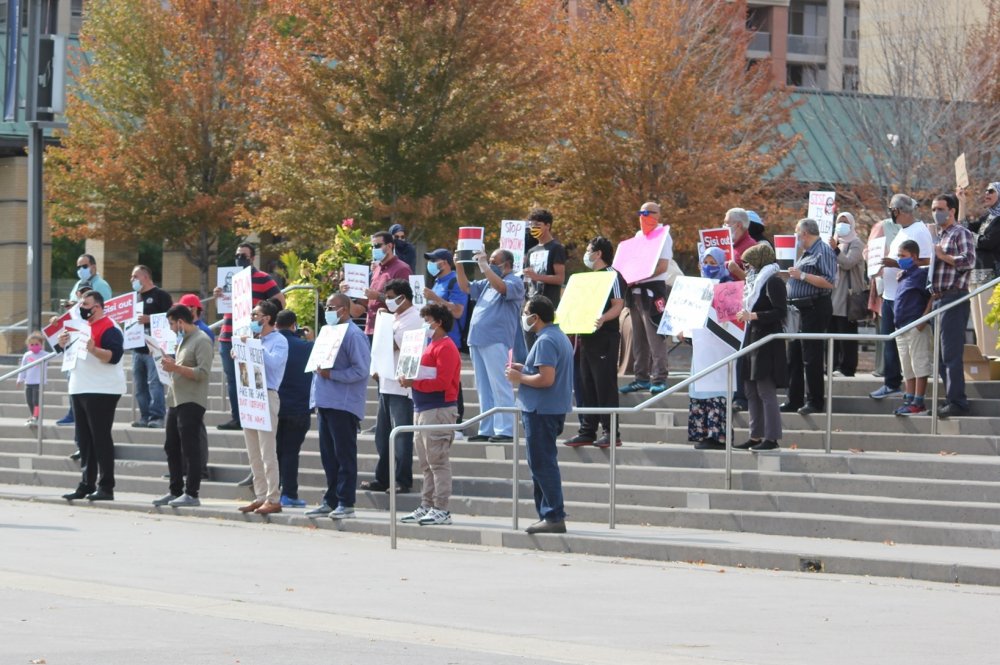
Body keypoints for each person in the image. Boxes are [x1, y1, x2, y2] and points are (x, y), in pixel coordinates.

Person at [506, 296, 574, 534]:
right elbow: (543, 371)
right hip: (546, 409)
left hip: (541, 410)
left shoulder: (546, 340)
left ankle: (553, 515)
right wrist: (524, 369)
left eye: (526, 312)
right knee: (542, 463)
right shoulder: (556, 336)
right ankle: (549, 513)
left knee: (542, 464)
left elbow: (546, 379)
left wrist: (520, 378)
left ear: (536, 316)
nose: (524, 316)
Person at [307, 294, 371, 520]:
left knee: (344, 455)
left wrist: (331, 374)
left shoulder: (354, 335)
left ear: (344, 310)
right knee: (328, 455)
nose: (327, 311)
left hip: (343, 404)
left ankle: (346, 502)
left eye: (331, 307)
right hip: (325, 401)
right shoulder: (328, 332)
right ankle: (330, 499)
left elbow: (362, 370)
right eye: (326, 306)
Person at [397, 303, 462, 526]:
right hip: (422, 408)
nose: (425, 325)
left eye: (427, 320)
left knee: (438, 461)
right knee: (426, 463)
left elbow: (442, 382)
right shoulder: (430, 345)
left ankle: (441, 508)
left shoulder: (446, 347)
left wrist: (414, 382)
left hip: (439, 409)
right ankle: (427, 504)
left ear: (438, 322)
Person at [60, 291, 127, 501]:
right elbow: (73, 355)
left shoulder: (110, 327)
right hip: (80, 387)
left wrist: (94, 350)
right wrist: (63, 344)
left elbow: (114, 356)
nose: (82, 307)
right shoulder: (81, 327)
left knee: (100, 438)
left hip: (102, 389)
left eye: (85, 304)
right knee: (84, 440)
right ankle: (86, 484)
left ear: (97, 307)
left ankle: (106, 486)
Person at [213, 242, 285, 433]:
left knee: (250, 377)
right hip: (228, 334)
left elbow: (280, 301)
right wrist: (219, 295)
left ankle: (252, 416)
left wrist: (261, 318)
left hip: (250, 336)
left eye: (244, 256)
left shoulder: (263, 278)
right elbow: (225, 306)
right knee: (232, 379)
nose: (240, 259)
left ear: (252, 258)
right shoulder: (230, 279)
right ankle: (238, 417)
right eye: (237, 255)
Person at [455, 248, 524, 443]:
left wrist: (485, 266)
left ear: (507, 264)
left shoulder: (514, 281)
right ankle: (487, 428)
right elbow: (466, 287)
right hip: (478, 339)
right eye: (489, 260)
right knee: (484, 388)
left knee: (500, 385)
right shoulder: (487, 282)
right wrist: (459, 265)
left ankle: (506, 430)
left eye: (494, 260)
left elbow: (502, 288)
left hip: (496, 340)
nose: (489, 262)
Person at [870, 194, 933, 400]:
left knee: (907, 349)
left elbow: (925, 261)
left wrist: (895, 263)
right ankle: (893, 382)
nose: (891, 214)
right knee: (892, 343)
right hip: (891, 294)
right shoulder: (903, 230)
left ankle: (903, 389)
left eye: (892, 210)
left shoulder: (920, 231)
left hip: (905, 296)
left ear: (899, 211)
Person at [565, 236, 626, 448]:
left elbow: (618, 305)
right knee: (586, 383)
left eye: (589, 250)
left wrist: (603, 319)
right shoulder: (587, 278)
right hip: (585, 336)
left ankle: (611, 431)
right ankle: (587, 430)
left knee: (604, 384)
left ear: (598, 253)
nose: (586, 254)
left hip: (605, 338)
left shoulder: (613, 276)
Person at [363, 279, 422, 493]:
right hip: (386, 382)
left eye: (390, 298)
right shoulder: (393, 318)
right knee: (383, 435)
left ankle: (402, 479)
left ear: (402, 298)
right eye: (385, 297)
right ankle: (383, 477)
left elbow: (392, 345)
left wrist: (380, 336)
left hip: (401, 386)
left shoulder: (414, 318)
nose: (387, 302)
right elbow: (380, 349)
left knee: (401, 436)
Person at [152, 304, 214, 507]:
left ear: (180, 321)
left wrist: (176, 366)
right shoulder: (182, 341)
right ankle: (175, 490)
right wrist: (170, 364)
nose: (171, 328)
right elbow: (181, 369)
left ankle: (192, 492)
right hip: (176, 399)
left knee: (190, 447)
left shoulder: (202, 340)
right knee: (171, 445)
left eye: (172, 323)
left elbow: (203, 373)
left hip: (192, 400)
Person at [237, 299, 288, 515]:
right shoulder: (255, 339)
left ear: (267, 319)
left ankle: (273, 497)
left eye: (255, 316)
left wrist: (252, 346)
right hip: (250, 394)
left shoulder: (279, 340)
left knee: (268, 451)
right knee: (253, 451)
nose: (252, 320)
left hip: (267, 395)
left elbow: (275, 363)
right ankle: (260, 495)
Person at [733, 244, 786, 452]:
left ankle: (772, 437)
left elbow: (780, 311)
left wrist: (754, 316)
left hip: (767, 341)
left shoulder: (773, 281)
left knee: (765, 390)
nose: (746, 268)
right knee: (750, 390)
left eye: (748, 264)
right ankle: (755, 435)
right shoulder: (754, 283)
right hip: (751, 337)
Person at [782, 218, 837, 416]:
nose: (796, 237)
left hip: (814, 306)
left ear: (805, 233)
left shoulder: (823, 251)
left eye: (797, 233)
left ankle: (814, 400)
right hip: (797, 309)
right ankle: (793, 398)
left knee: (811, 356)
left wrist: (803, 276)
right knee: (794, 355)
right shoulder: (804, 253)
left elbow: (830, 281)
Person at [619, 202, 674, 395]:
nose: (645, 215)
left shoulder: (662, 235)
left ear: (658, 215)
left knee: (655, 335)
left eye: (649, 212)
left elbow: (662, 266)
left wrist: (639, 276)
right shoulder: (638, 236)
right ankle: (640, 376)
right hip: (635, 290)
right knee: (638, 337)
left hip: (652, 290)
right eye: (641, 212)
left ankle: (659, 377)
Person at [930, 193, 976, 418]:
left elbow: (969, 261)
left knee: (950, 353)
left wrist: (943, 255)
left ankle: (958, 400)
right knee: (939, 355)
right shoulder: (939, 236)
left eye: (940, 208)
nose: (936, 213)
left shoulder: (961, 233)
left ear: (952, 211)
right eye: (933, 209)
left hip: (954, 298)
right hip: (937, 298)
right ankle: (949, 398)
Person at [686, 247, 735, 450]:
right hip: (701, 349)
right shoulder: (696, 288)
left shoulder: (730, 287)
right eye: (706, 262)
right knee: (700, 390)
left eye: (714, 263)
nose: (709, 267)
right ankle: (702, 433)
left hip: (720, 350)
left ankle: (718, 435)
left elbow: (732, 323)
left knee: (717, 392)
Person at [422, 248, 469, 432]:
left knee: (452, 379)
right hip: (434, 339)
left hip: (451, 339)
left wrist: (436, 298)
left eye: (435, 260)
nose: (431, 264)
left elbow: (457, 311)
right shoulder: (437, 282)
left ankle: (458, 421)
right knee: (441, 378)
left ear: (446, 262)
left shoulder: (454, 282)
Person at [274, 310, 314, 507]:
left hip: (275, 407)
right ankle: (289, 493)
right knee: (290, 452)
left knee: (275, 452)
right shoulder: (307, 346)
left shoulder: (270, 344)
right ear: (294, 325)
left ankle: (274, 491)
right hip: (299, 407)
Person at [891, 241, 932, 417]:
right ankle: (909, 399)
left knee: (919, 364)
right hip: (901, 327)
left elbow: (933, 296)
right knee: (907, 367)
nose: (900, 259)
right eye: (899, 256)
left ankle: (918, 401)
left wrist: (923, 319)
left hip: (916, 325)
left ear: (914, 257)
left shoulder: (921, 275)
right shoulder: (904, 275)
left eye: (903, 256)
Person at [129, 265, 173, 428]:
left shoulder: (161, 295)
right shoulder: (133, 298)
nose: (132, 280)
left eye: (135, 276)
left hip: (155, 347)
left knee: (155, 383)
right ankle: (144, 416)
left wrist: (151, 319)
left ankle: (157, 416)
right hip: (137, 348)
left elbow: (171, 318)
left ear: (146, 277)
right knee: (140, 386)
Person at [959, 183, 1000, 357]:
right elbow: (964, 228)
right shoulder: (987, 217)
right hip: (975, 276)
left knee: (990, 327)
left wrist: (971, 237)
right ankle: (985, 363)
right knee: (979, 325)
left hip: (991, 277)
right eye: (985, 190)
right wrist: (962, 202)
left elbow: (987, 242)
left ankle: (994, 364)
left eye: (991, 191)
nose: (986, 193)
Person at [522, 208, 567, 349]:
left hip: (548, 308)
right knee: (531, 348)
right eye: (532, 225)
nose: (534, 228)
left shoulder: (556, 248)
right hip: (530, 307)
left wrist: (537, 277)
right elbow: (527, 281)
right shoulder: (531, 251)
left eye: (537, 225)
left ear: (547, 225)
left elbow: (560, 278)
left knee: (545, 347)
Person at [828, 212, 866, 377]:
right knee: (832, 332)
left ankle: (847, 368)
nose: (841, 225)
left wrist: (835, 249)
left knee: (846, 333)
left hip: (847, 295)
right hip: (831, 293)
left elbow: (848, 263)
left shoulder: (856, 243)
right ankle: (832, 365)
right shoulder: (832, 242)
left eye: (845, 222)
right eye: (839, 221)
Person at [359, 231, 412, 337]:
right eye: (372, 246)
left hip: (389, 330)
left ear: (389, 246)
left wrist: (377, 296)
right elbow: (370, 302)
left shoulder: (402, 269)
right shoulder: (377, 268)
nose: (374, 249)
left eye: (377, 246)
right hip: (370, 328)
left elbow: (405, 302)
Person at [17, 332, 47, 427]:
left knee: (36, 401)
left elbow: (57, 354)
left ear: (41, 344)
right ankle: (33, 416)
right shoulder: (27, 355)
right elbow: (23, 368)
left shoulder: (45, 355)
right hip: (28, 382)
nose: (34, 346)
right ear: (28, 345)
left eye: (37, 344)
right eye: (32, 344)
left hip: (39, 382)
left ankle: (36, 417)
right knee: (29, 401)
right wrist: (20, 379)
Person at [723, 208, 761, 280]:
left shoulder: (751, 248)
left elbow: (755, 281)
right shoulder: (729, 245)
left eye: (727, 223)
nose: (724, 226)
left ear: (738, 225)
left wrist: (737, 271)